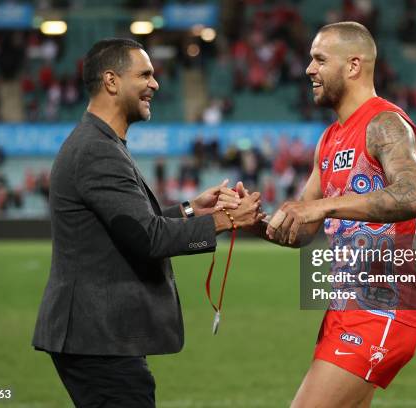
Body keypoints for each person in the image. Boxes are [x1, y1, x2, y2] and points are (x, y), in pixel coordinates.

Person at [32, 38, 263, 408]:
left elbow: (131, 225)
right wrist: (224, 220)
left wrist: (192, 210)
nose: (155, 84)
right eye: (145, 74)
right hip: (98, 339)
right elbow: (148, 239)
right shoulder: (97, 150)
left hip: (97, 336)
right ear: (111, 81)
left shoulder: (101, 143)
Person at [224, 22, 416, 407]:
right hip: (343, 311)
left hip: (380, 310)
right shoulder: (330, 139)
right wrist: (249, 219)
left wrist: (321, 205)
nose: (308, 70)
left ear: (353, 66)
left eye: (319, 59)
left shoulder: (384, 123)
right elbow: (299, 231)